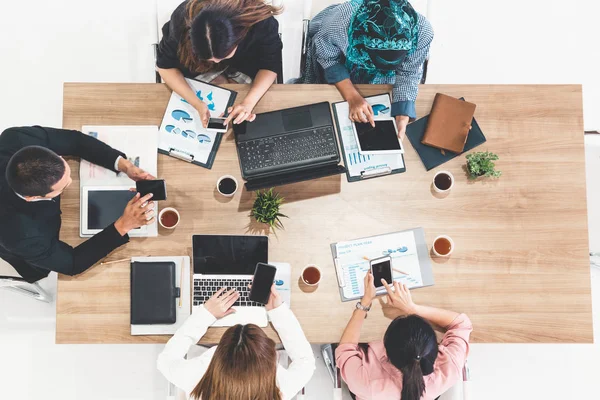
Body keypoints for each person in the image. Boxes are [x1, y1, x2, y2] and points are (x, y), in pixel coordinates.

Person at [0, 126, 156, 283]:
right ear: (31, 197)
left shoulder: (15, 137)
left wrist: (125, 166)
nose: (71, 181)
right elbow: (72, 263)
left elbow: (74, 141)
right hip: (33, 243)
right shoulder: (20, 237)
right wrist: (123, 225)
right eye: (64, 186)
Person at [295, 0, 433, 140]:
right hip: (344, 63)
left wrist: (403, 114)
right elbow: (328, 58)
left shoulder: (423, 31)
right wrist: (352, 97)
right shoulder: (338, 24)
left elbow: (408, 72)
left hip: (386, 82)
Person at [157, 285, 315, 400]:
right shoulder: (278, 390)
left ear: (217, 355)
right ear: (272, 360)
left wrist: (206, 314)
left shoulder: (198, 379)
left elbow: (165, 361)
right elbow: (305, 362)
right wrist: (278, 311)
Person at [336, 272, 472, 400]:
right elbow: (461, 324)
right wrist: (412, 308)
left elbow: (345, 350)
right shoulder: (450, 367)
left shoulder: (365, 382)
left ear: (386, 348)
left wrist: (364, 303)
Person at [156, 0, 283, 128]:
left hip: (247, 69)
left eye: (223, 56)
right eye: (209, 58)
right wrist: (197, 104)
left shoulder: (260, 21)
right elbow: (165, 67)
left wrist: (248, 104)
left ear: (240, 35)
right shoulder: (182, 19)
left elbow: (270, 65)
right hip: (196, 71)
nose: (216, 62)